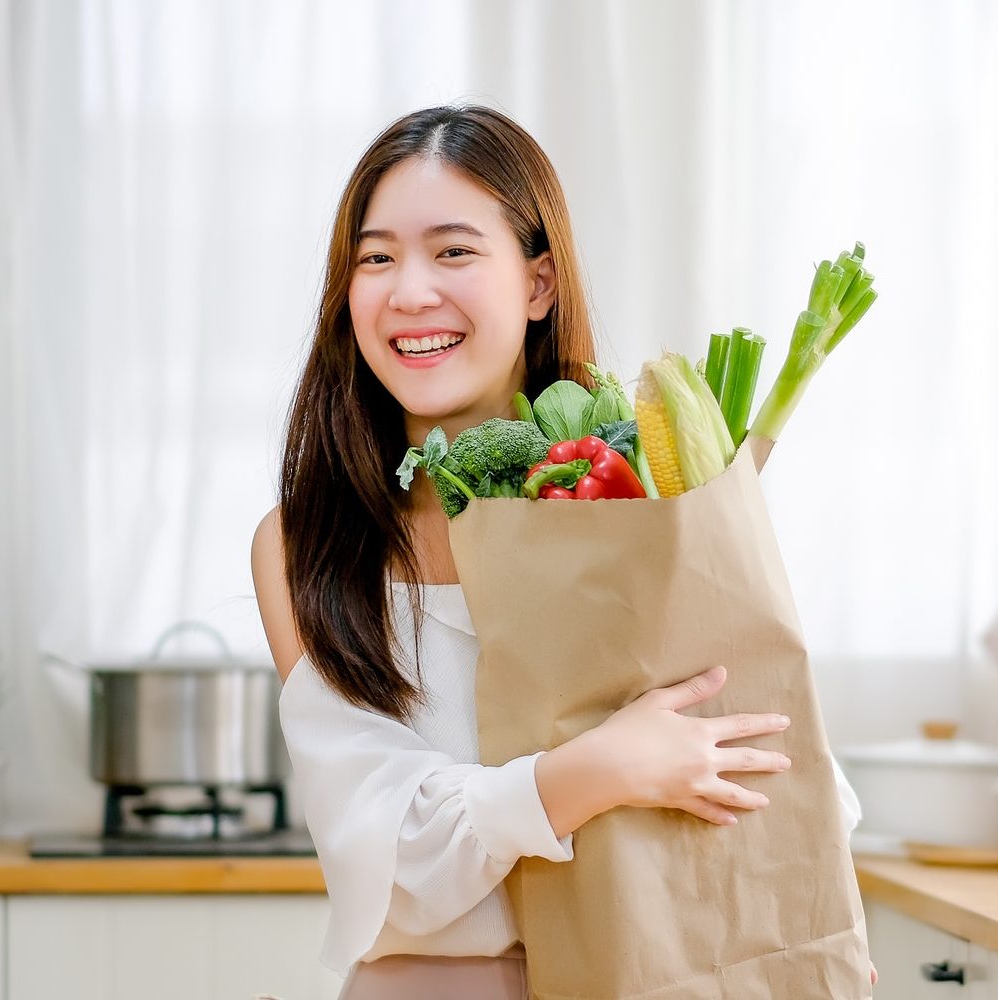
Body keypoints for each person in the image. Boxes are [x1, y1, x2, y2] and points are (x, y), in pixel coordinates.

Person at [251, 104, 867, 1000]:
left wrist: (819, 928)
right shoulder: (306, 546)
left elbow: (771, 757)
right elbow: (389, 860)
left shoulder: (638, 502)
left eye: (453, 251)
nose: (410, 291)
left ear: (538, 283)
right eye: (376, 257)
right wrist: (600, 769)